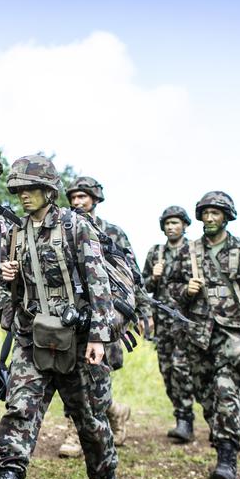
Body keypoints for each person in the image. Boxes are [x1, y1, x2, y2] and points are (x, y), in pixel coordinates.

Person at [0, 155, 119, 479]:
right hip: (34, 338)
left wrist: (99, 335)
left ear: (49, 190)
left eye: (31, 188)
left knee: (91, 421)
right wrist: (9, 279)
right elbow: (8, 295)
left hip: (80, 341)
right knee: (19, 411)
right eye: (18, 189)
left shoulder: (75, 226)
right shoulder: (15, 233)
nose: (24, 195)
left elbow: (99, 282)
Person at [168, 191, 240, 479]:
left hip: (233, 334)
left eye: (216, 213)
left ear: (227, 216)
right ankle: (221, 441)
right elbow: (169, 291)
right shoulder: (187, 252)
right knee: (207, 398)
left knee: (226, 390)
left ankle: (227, 460)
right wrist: (185, 292)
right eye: (205, 213)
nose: (210, 218)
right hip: (199, 337)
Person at [61, 175, 150, 454]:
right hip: (73, 314)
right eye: (73, 197)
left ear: (95, 199)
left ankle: (83, 430)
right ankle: (111, 413)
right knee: (72, 372)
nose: (77, 202)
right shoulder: (63, 229)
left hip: (106, 315)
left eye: (83, 196)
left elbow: (133, 275)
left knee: (97, 373)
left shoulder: (114, 233)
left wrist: (143, 311)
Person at [142, 206, 196, 441]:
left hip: (188, 322)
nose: (171, 227)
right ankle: (180, 416)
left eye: (175, 222)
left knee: (181, 368)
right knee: (167, 371)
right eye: (167, 223)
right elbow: (142, 288)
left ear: (184, 225)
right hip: (163, 323)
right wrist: (153, 277)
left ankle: (186, 420)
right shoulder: (156, 252)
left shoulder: (195, 251)